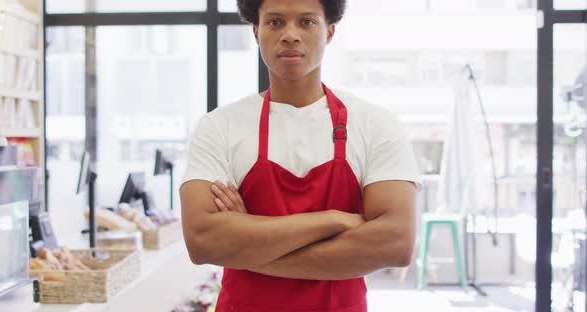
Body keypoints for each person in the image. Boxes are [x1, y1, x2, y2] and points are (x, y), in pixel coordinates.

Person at [180, 0, 422, 311]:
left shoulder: (375, 124)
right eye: (275, 22)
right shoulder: (219, 126)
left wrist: (247, 245)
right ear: (256, 31)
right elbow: (203, 241)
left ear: (329, 32)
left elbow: (395, 244)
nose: (290, 35)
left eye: (306, 22)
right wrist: (332, 221)